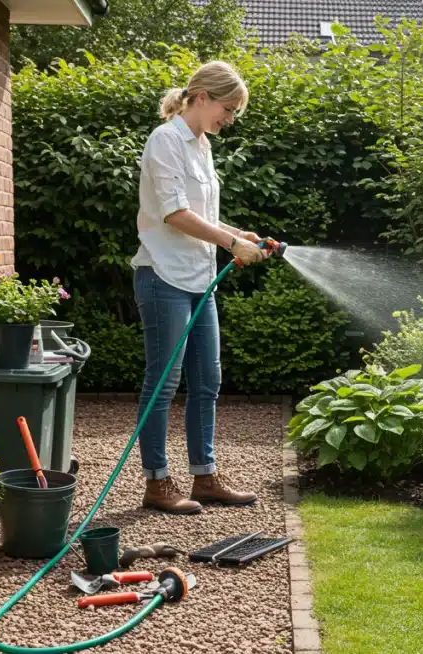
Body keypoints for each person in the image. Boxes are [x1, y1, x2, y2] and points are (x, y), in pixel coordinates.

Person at [130, 61, 269, 515]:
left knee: (208, 380)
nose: (230, 119)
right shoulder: (165, 140)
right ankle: (157, 483)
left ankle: (204, 477)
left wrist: (239, 235)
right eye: (228, 109)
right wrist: (230, 243)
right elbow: (174, 214)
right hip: (163, 276)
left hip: (200, 277)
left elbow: (200, 214)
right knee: (164, 382)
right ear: (203, 97)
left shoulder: (202, 145)